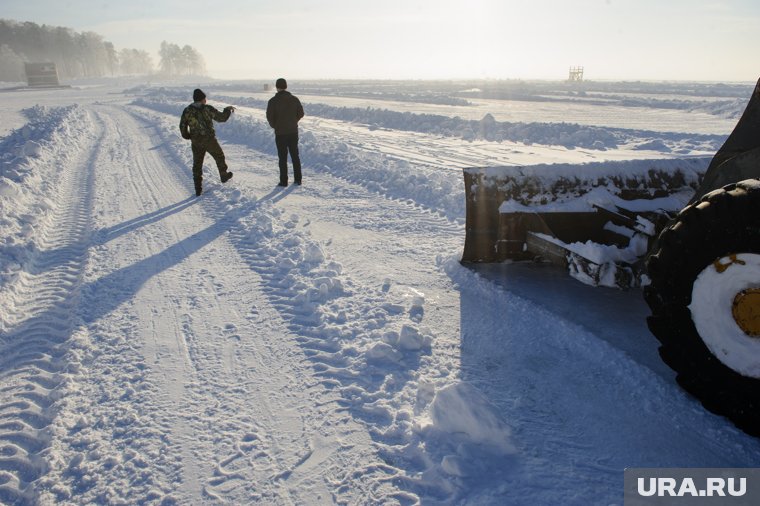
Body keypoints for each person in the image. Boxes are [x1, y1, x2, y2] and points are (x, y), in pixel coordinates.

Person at [179, 88, 235, 196]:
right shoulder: (207, 109)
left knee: (197, 164)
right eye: (205, 98)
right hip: (209, 140)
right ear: (202, 99)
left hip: (196, 141)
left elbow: (182, 126)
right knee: (219, 156)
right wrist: (227, 110)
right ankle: (223, 175)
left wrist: (187, 136)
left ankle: (198, 188)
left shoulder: (187, 110)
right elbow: (221, 118)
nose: (206, 100)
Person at [266, 78, 305, 186]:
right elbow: (301, 113)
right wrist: (293, 121)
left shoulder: (273, 101)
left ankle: (284, 181)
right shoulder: (294, 99)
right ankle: (298, 179)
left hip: (280, 133)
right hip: (293, 131)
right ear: (286, 86)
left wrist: (276, 126)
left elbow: (270, 117)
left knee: (282, 158)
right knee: (295, 156)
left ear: (277, 87)